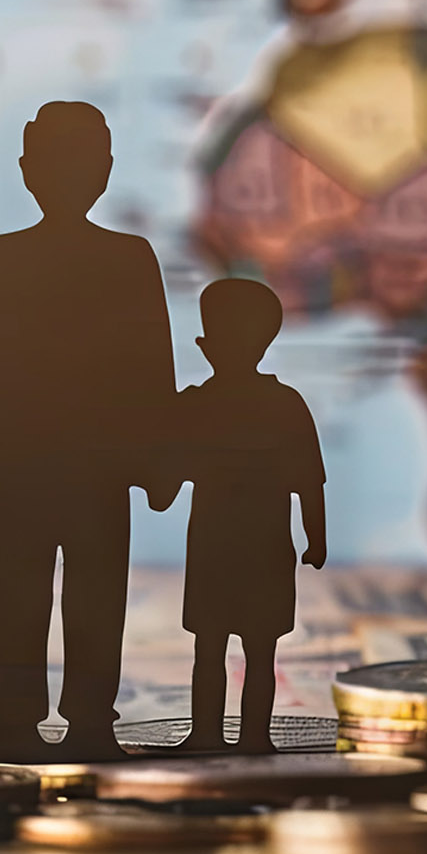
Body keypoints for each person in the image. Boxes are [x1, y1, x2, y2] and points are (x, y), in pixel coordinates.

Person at [0, 102, 175, 763]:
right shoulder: (125, 258)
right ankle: (56, 718)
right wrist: (156, 459)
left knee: (45, 593)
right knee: (66, 593)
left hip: (42, 470)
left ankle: (52, 718)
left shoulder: (6, 258)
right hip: (76, 469)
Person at [166, 278, 326, 754]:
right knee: (257, 653)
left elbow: (165, 471)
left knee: (212, 650)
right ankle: (250, 736)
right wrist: (314, 539)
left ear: (204, 346)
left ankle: (211, 735)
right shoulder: (286, 405)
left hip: (217, 546)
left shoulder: (195, 405)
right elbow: (309, 484)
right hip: (264, 547)